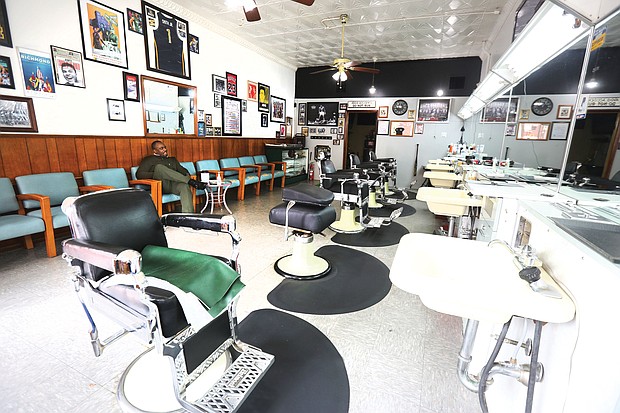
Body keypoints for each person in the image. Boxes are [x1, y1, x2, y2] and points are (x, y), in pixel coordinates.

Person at [136, 140, 206, 213]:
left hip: (173, 185)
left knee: (184, 187)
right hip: (160, 185)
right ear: (155, 151)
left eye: (165, 147)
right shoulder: (149, 159)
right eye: (161, 148)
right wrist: (156, 174)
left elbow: (183, 170)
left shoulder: (172, 160)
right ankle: (191, 181)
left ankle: (188, 216)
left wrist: (186, 174)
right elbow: (139, 174)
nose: (165, 150)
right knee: (159, 168)